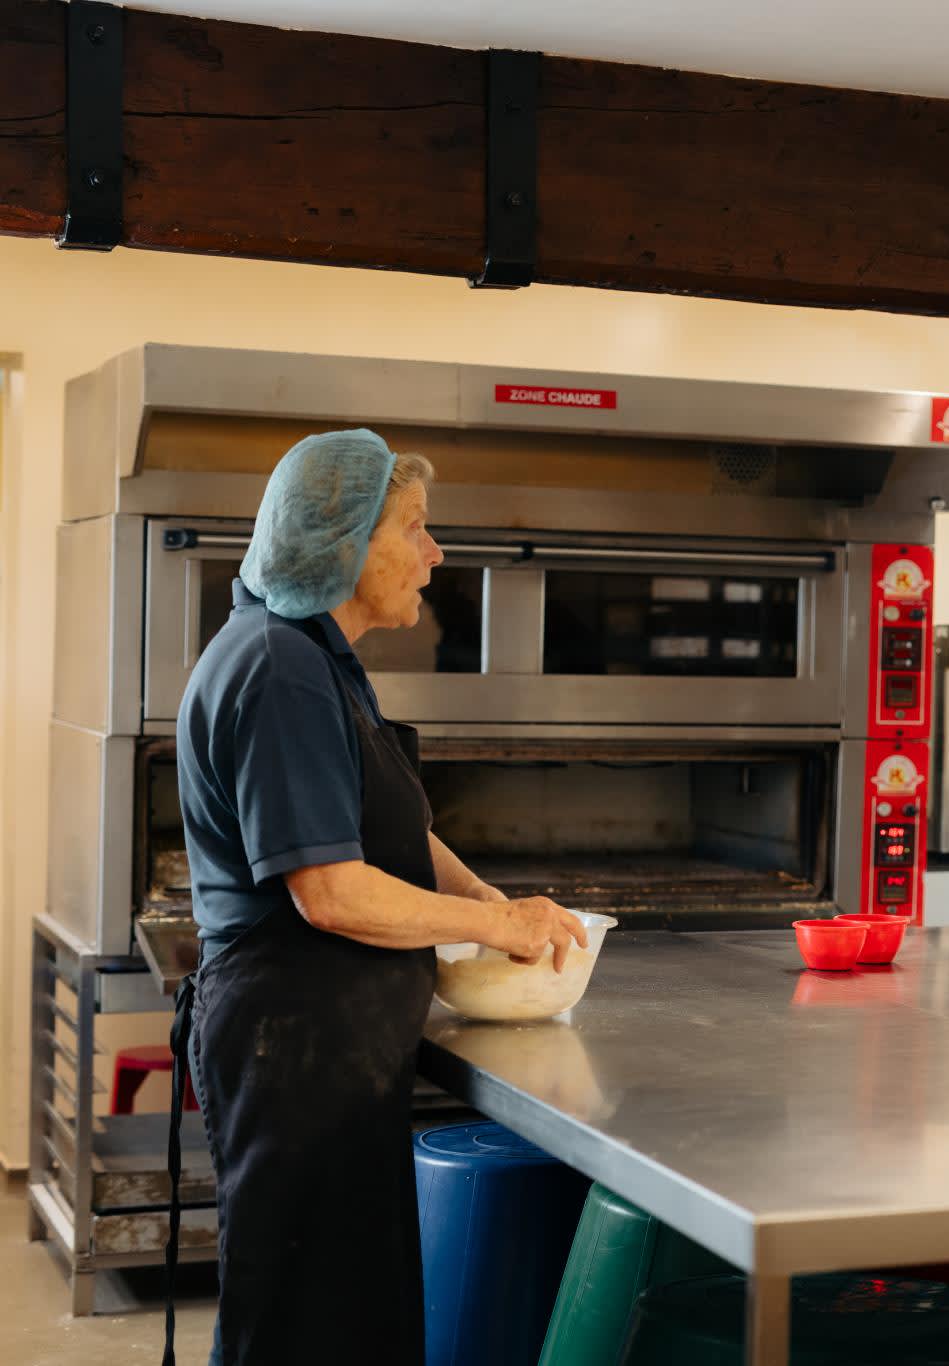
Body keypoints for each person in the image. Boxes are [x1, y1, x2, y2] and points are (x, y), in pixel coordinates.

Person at [167, 429, 587, 1366]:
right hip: (295, 1049)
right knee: (304, 1328)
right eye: (415, 527)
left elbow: (376, 822)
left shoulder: (312, 655)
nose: (436, 553)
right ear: (344, 541)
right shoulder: (279, 668)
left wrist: (489, 897)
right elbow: (330, 891)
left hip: (324, 1052)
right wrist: (493, 925)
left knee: (346, 1317)